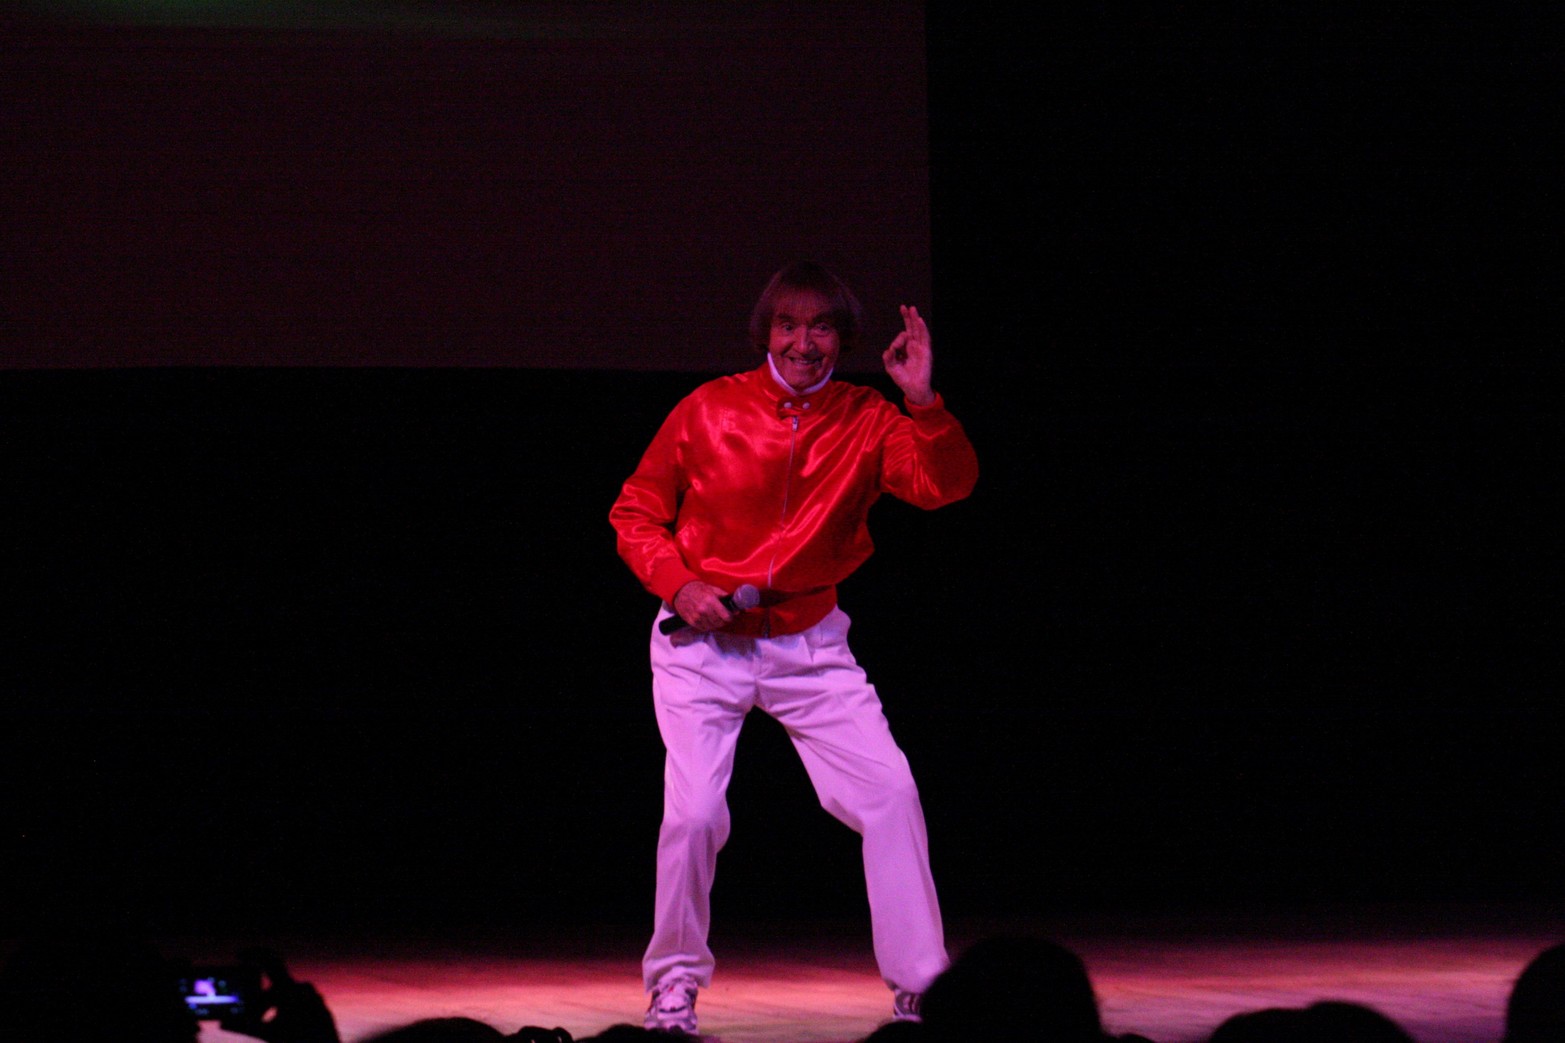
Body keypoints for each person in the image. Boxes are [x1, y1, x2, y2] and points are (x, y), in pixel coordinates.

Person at [610, 260, 979, 1035]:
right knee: (694, 814)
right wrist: (680, 584)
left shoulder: (868, 417)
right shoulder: (708, 407)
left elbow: (942, 486)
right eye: (787, 324)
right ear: (765, 332)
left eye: (820, 327)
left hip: (809, 643)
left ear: (843, 339)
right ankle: (672, 985)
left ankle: (923, 987)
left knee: (890, 794)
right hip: (701, 644)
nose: (802, 342)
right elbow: (635, 511)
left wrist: (922, 401)